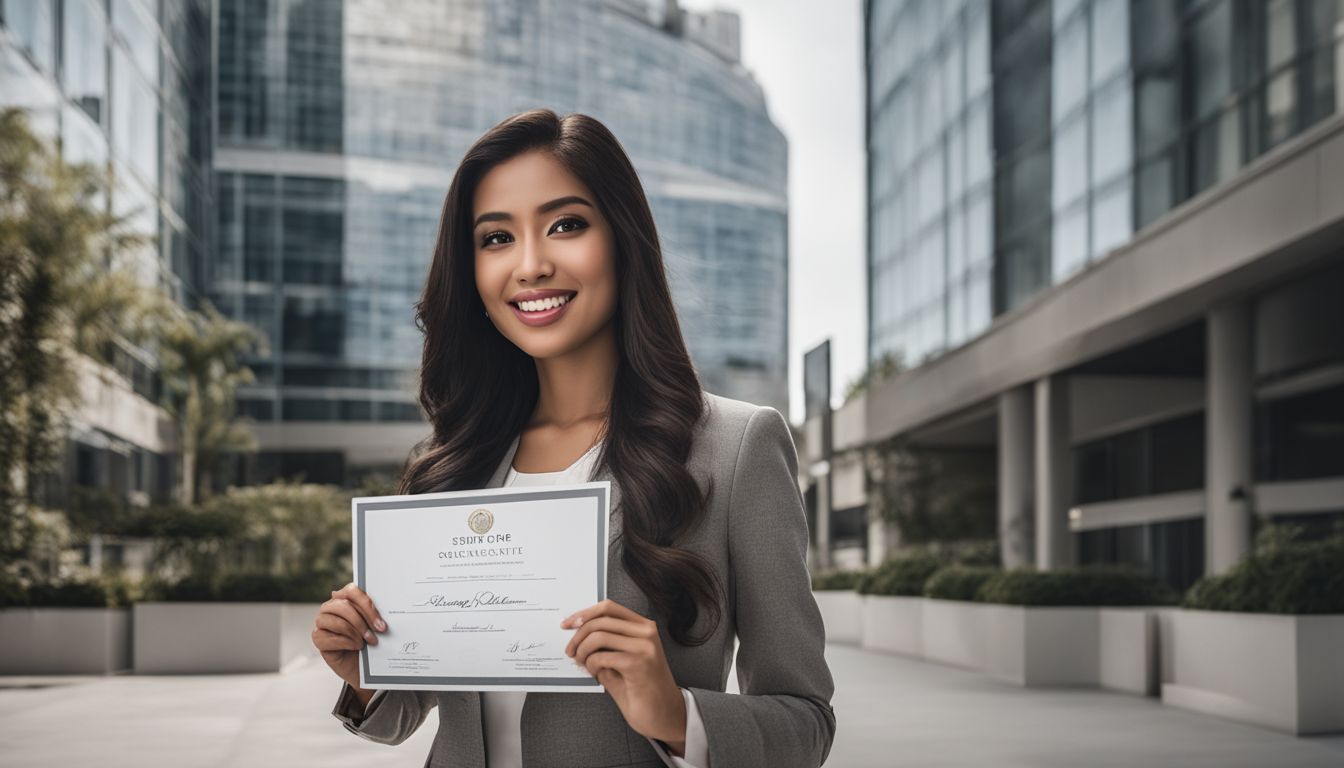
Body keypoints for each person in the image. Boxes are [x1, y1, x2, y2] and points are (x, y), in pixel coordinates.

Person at [311, 108, 835, 767]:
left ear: (621, 238)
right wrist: (365, 672)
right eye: (496, 238)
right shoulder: (455, 464)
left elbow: (806, 723)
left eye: (565, 225)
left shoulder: (736, 448)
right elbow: (414, 709)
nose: (530, 265)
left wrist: (675, 715)